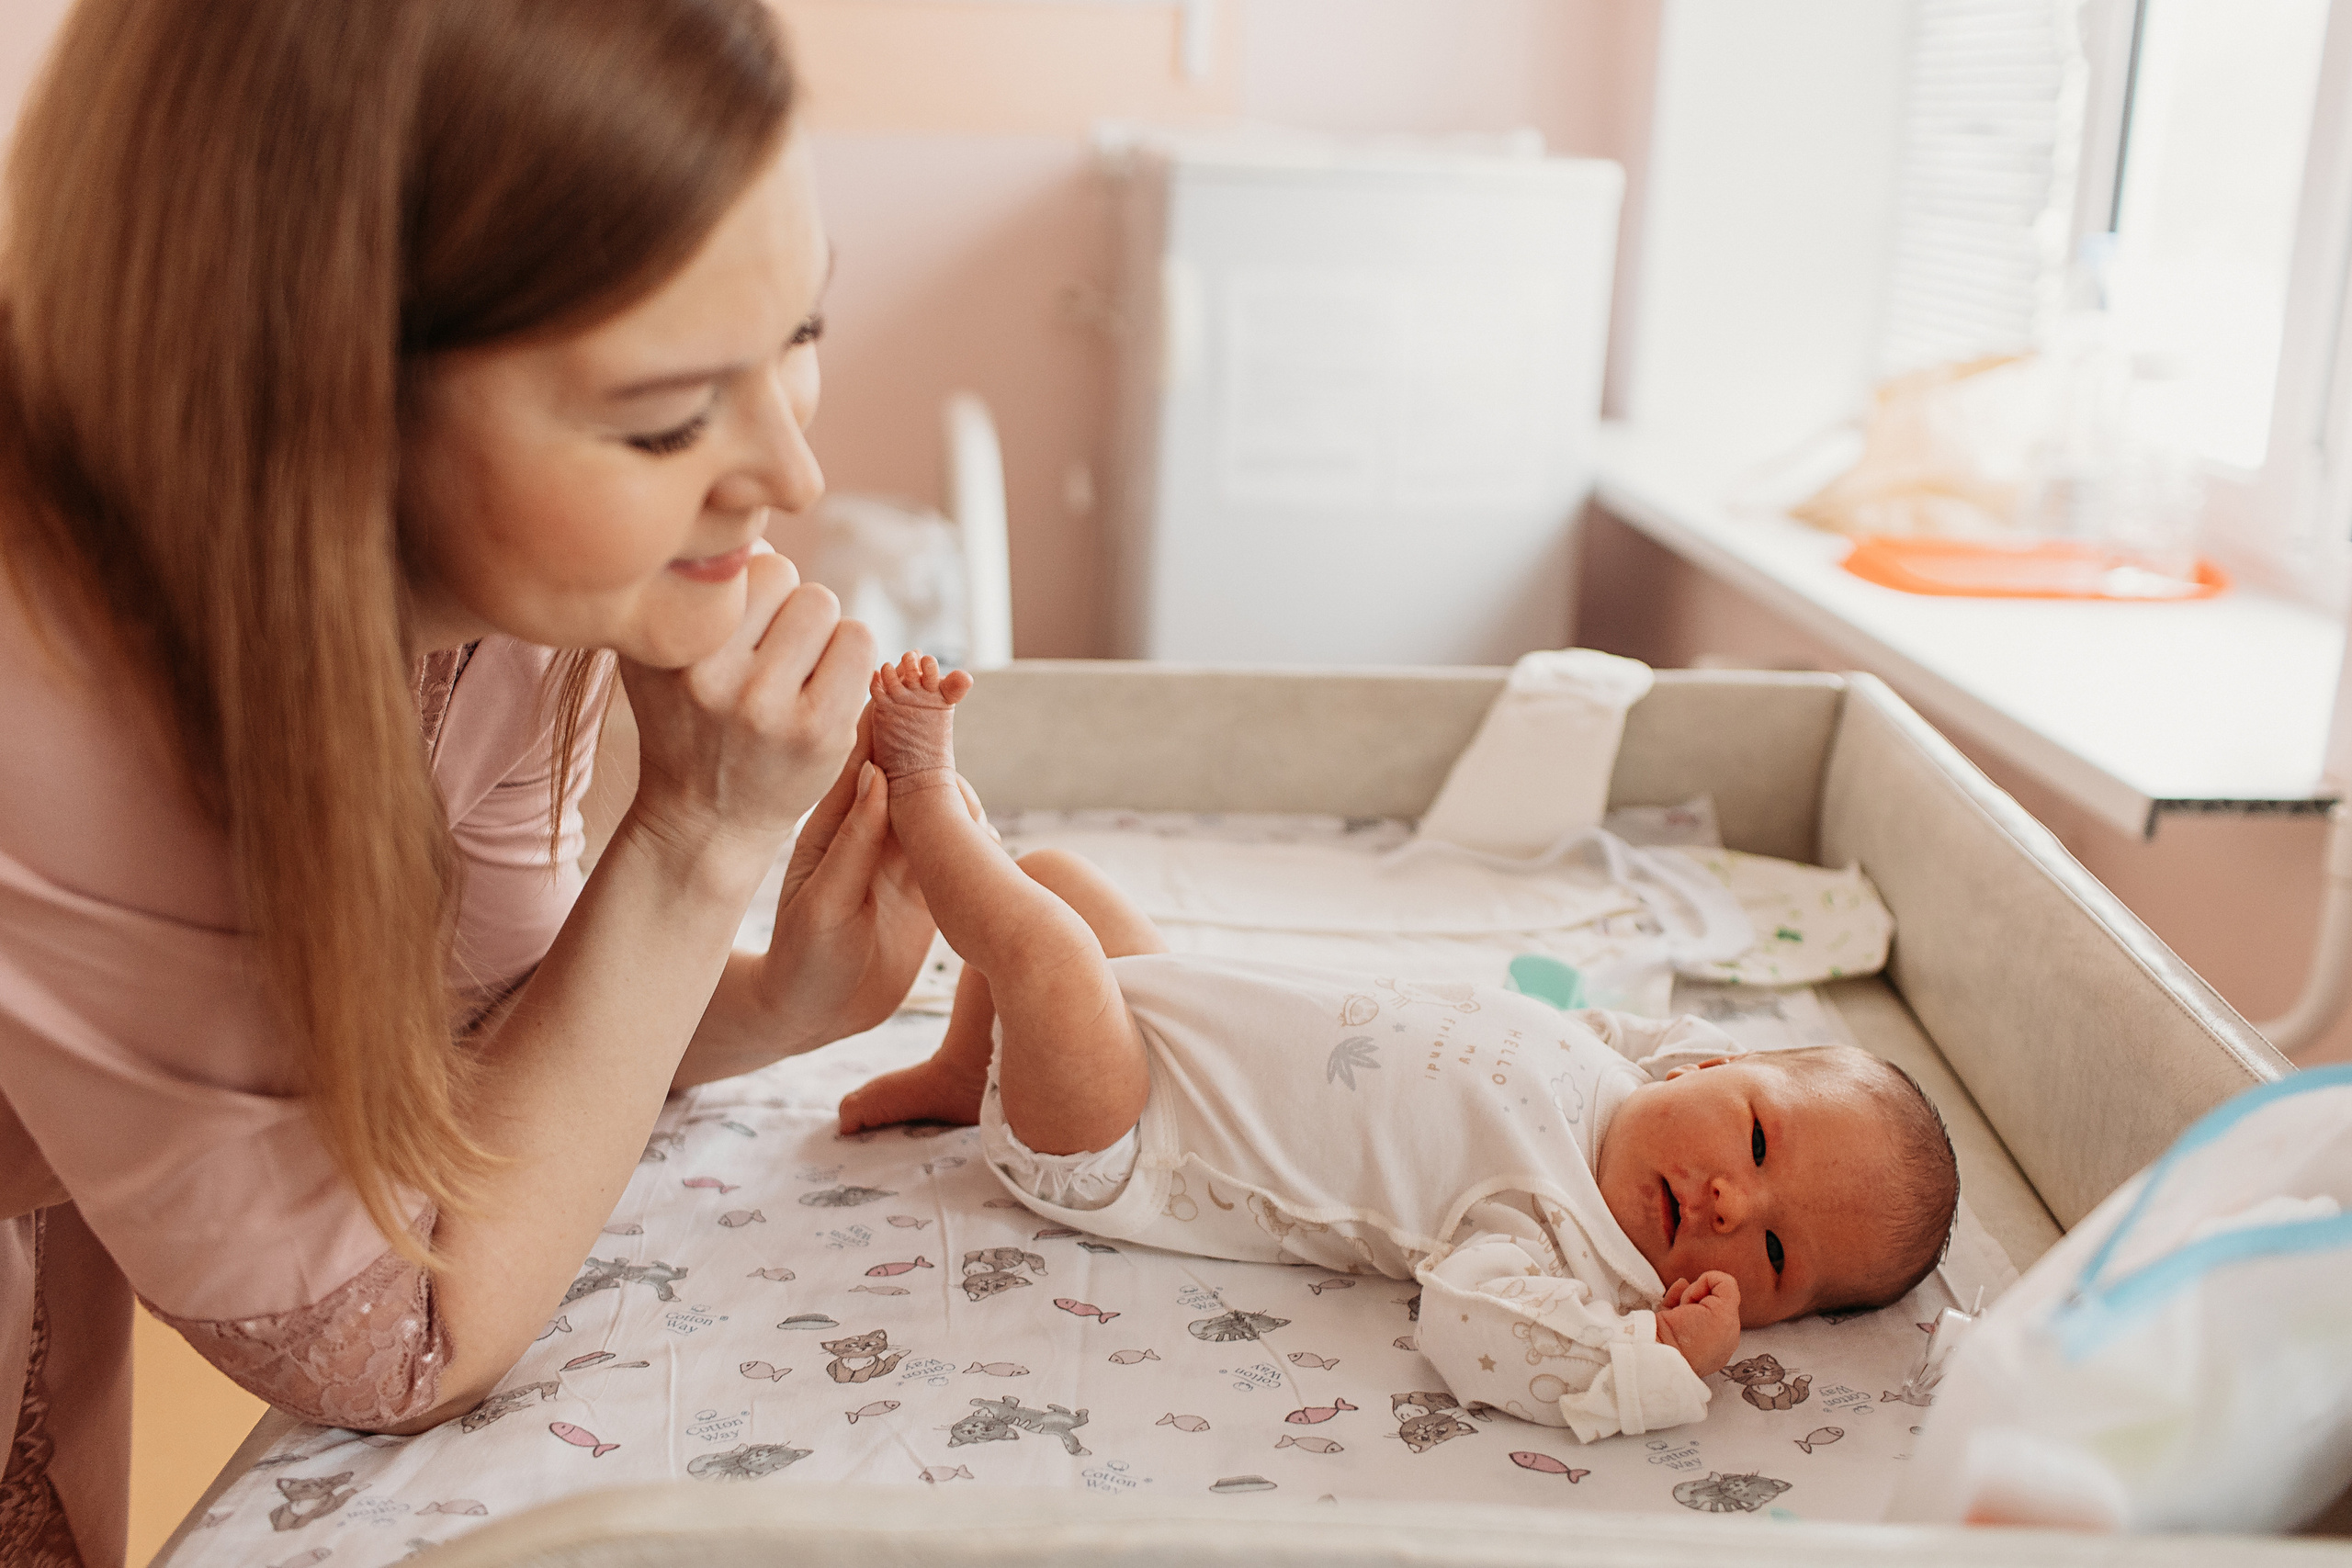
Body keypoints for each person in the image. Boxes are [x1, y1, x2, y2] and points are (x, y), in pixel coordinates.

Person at [0, 5, 934, 1563]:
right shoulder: (64, 688)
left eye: (800, 338)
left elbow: (464, 1040)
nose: (790, 473)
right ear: (328, 405)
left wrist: (765, 996)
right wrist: (696, 839)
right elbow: (390, 1331)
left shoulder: (484, 595)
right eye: (662, 419)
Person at [840, 654, 1962, 1441]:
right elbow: (1673, 1042)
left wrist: (1657, 1364)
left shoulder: (1568, 1252)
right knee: (1060, 884)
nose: (1730, 1205)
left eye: (1772, 1263)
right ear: (1713, 1069)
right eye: (1759, 1140)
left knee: (1044, 953)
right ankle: (957, 1069)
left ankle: (926, 792)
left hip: (1126, 1134)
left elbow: (1477, 1334)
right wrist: (1711, 1072)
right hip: (1178, 1017)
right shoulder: (1625, 1071)